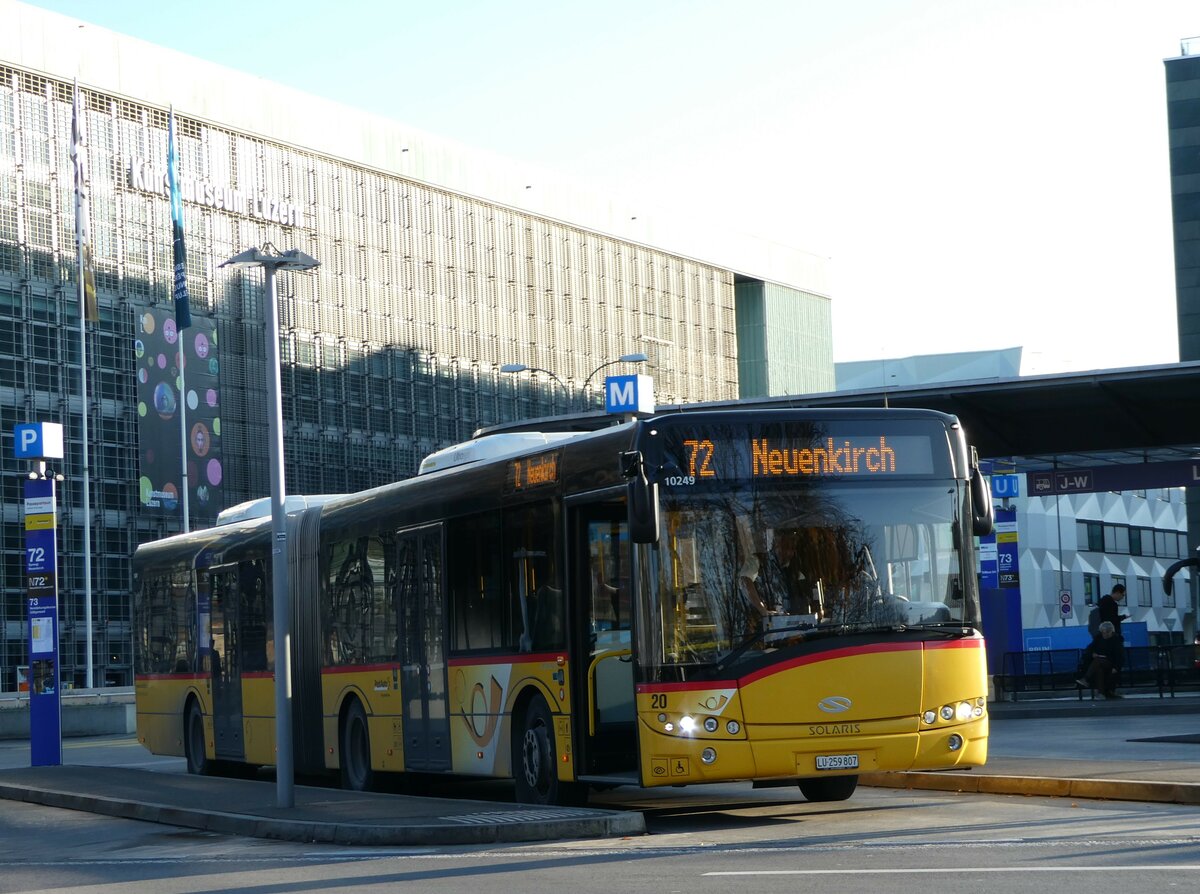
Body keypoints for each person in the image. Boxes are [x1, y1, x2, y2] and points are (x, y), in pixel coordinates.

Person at [1076, 620, 1124, 698]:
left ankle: (1086, 679)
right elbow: (1090, 648)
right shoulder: (1099, 638)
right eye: (1103, 632)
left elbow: (1120, 656)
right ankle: (1101, 693)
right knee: (1099, 669)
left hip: (1111, 662)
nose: (1104, 634)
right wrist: (1092, 654)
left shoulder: (1116, 640)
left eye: (1106, 632)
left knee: (1098, 661)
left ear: (1110, 632)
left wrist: (1116, 667)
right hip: (1100, 662)